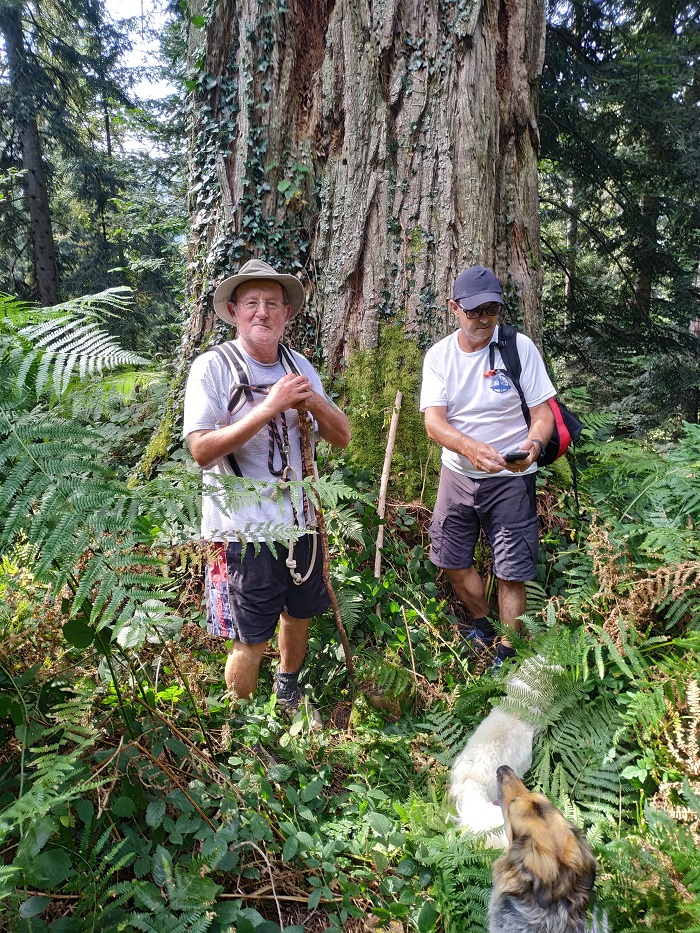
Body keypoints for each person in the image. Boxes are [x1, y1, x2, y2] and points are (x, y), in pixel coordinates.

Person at [183, 258, 351, 723]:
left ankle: (288, 691)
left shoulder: (301, 367)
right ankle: (240, 730)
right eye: (252, 303)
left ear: (286, 314)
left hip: (302, 522)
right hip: (243, 531)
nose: (263, 312)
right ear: (234, 311)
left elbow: (342, 435)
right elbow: (201, 449)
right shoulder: (212, 368)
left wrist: (311, 398)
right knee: (249, 635)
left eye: (272, 304)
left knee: (299, 615)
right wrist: (269, 406)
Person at [419, 265, 555, 668]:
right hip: (458, 475)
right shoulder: (440, 357)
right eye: (474, 311)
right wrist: (470, 448)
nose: (483, 319)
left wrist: (533, 446)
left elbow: (543, 413)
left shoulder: (518, 347)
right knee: (450, 559)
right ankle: (482, 622)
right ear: (454, 309)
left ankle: (508, 653)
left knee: (512, 571)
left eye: (491, 310)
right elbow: (434, 422)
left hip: (512, 479)